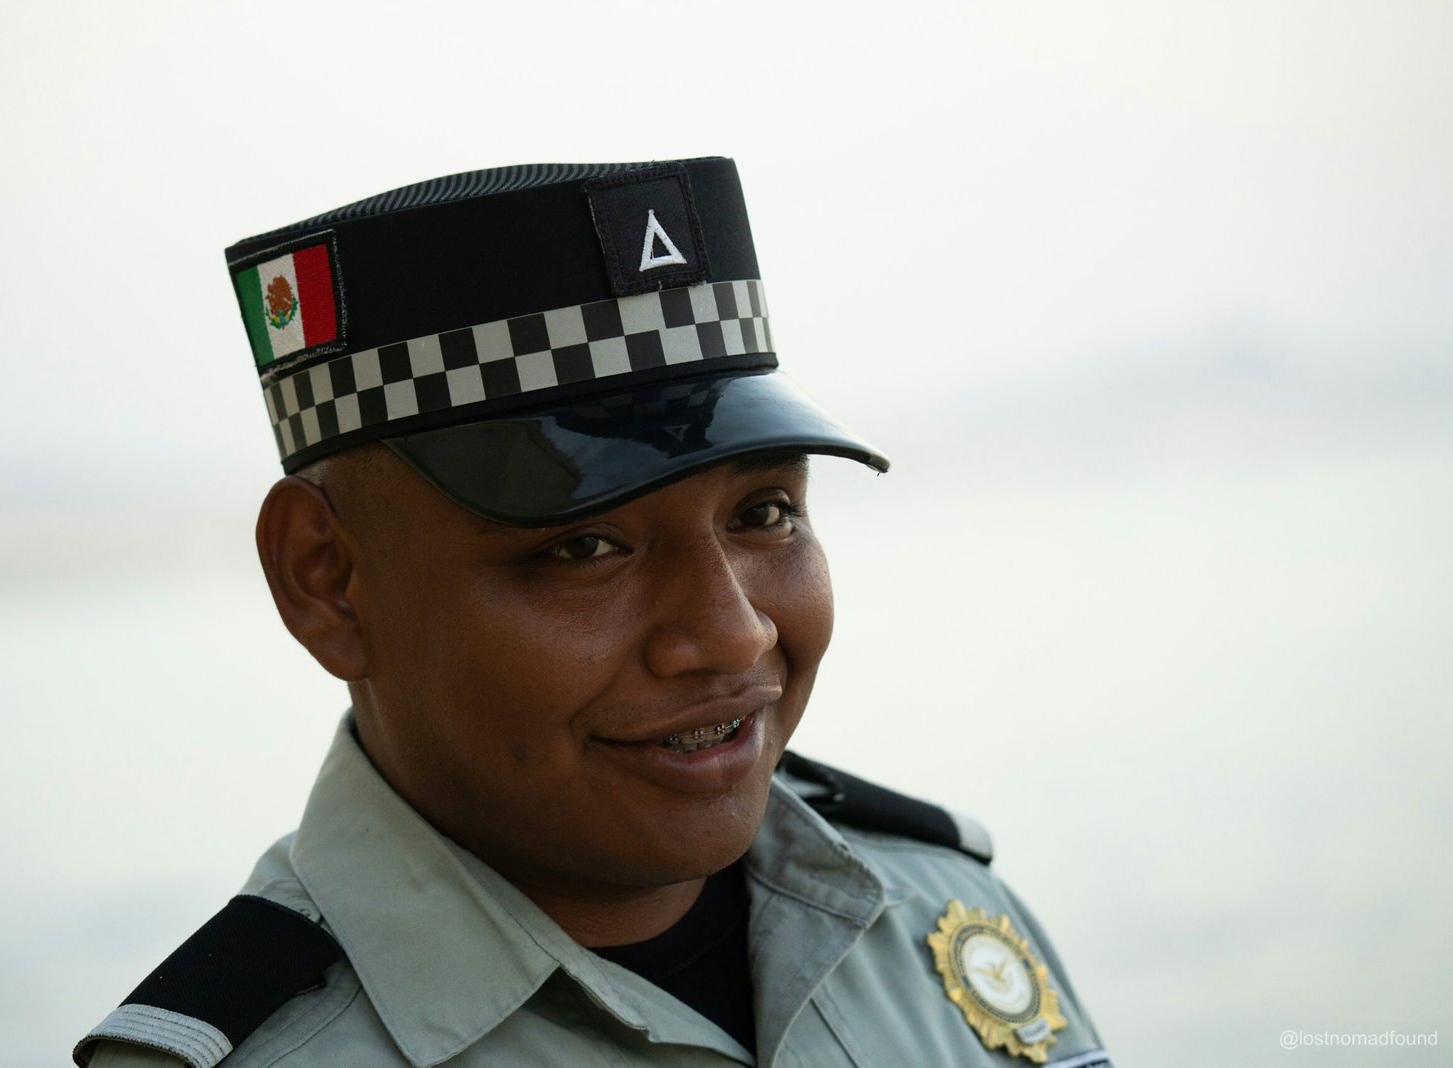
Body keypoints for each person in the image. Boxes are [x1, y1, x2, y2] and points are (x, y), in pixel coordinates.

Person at [74, 158, 1113, 1068]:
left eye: (764, 513)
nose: (733, 633)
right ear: (327, 580)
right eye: (584, 546)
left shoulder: (940, 917)